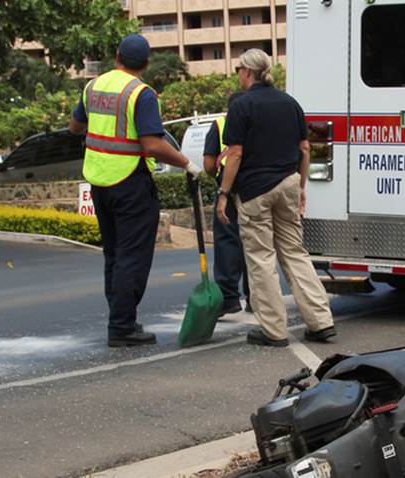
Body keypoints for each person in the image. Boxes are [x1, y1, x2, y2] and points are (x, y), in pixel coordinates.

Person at [69, 34, 201, 347]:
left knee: (114, 254)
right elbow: (153, 145)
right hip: (129, 181)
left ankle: (120, 317)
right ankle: (122, 326)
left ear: (117, 56)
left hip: (99, 181)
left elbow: (75, 127)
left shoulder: (93, 86)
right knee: (132, 256)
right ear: (146, 64)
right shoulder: (141, 94)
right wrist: (187, 163)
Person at [216, 49, 336, 347]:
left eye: (238, 70)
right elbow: (305, 148)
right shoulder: (290, 103)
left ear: (247, 71)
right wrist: (302, 186)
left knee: (261, 258)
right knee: (295, 252)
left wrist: (224, 193)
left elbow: (235, 154)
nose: (238, 75)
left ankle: (274, 330)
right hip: (289, 183)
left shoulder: (241, 106)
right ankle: (321, 322)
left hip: (256, 190)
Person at [203, 92, 250, 316]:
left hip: (229, 187)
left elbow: (209, 163)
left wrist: (219, 182)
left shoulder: (220, 124)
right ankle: (256, 298)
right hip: (257, 184)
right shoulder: (258, 121)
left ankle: (229, 298)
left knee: (227, 240)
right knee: (255, 241)